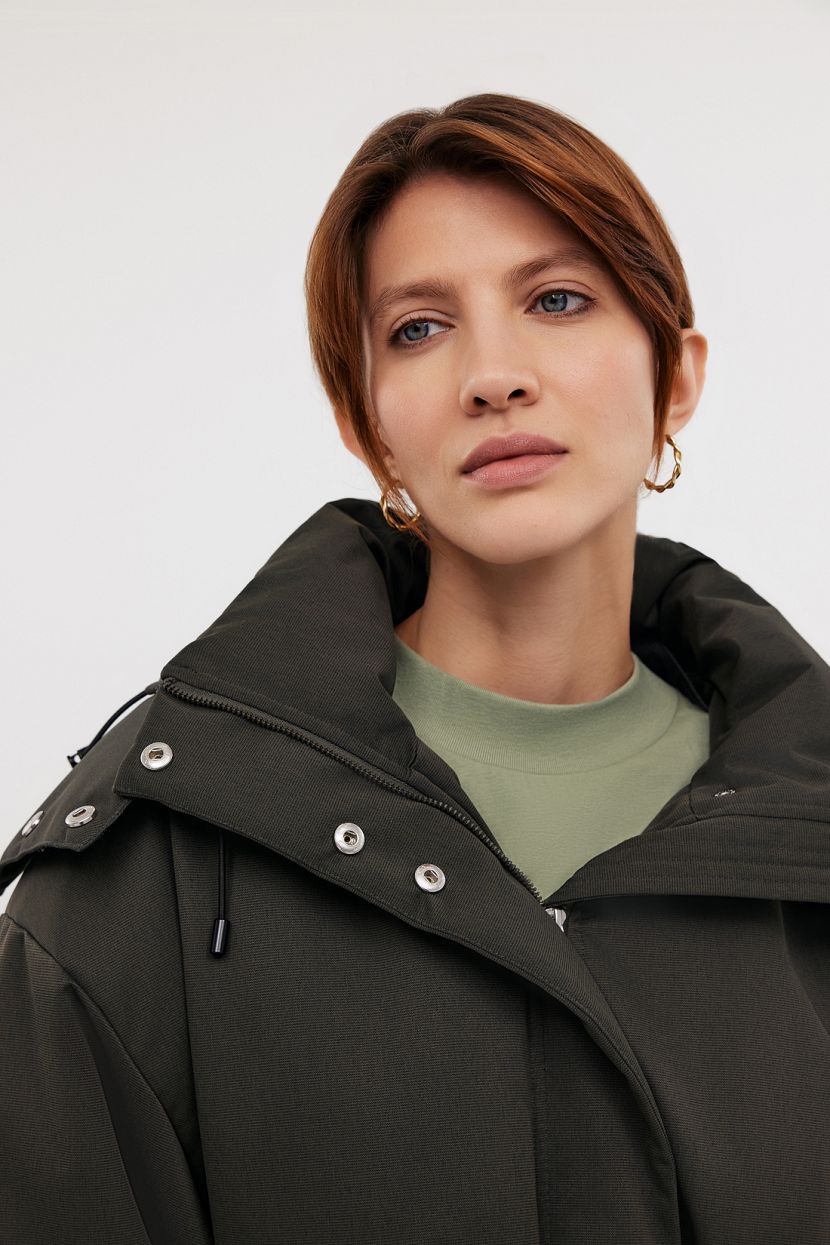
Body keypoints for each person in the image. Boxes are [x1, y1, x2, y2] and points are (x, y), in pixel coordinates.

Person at [2, 91, 829, 1244]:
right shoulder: (155, 863)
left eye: (555, 300)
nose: (492, 374)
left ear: (673, 377)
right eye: (418, 329)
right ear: (367, 425)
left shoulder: (805, 826)